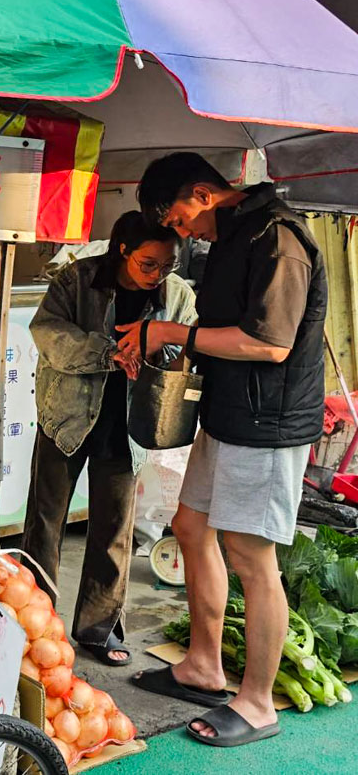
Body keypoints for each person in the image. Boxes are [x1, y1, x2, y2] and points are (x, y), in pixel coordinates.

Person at [124, 153, 327, 748]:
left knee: (251, 555)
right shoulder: (234, 237)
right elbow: (220, 329)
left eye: (177, 214)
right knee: (190, 526)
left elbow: (269, 345)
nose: (179, 229)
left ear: (202, 192)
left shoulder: (278, 238)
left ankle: (259, 703)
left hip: (269, 421)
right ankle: (204, 666)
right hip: (227, 411)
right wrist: (166, 351)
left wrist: (168, 334)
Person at [24, 211, 197, 666]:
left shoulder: (176, 294)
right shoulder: (77, 279)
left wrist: (162, 347)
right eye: (149, 264)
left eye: (168, 265)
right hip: (67, 415)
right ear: (123, 251)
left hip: (131, 421)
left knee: (115, 528)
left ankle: (98, 629)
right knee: (44, 523)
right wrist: (108, 353)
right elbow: (47, 332)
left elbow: (190, 344)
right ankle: (31, 626)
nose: (158, 275)